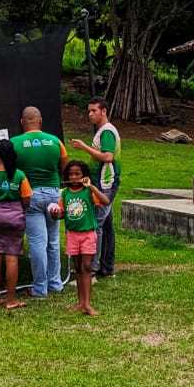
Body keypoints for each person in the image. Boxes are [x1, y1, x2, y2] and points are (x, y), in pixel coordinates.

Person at [11, 107, 67, 299]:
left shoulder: (14, 143)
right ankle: (56, 283)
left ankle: (40, 288)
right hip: (53, 193)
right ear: (40, 121)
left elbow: (9, 170)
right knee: (53, 240)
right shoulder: (55, 141)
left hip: (30, 196)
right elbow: (64, 164)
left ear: (22, 122)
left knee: (37, 242)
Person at [70, 97, 121, 277]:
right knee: (107, 225)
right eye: (89, 111)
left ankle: (91, 269)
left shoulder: (106, 131)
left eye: (94, 110)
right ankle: (106, 266)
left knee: (96, 224)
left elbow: (107, 157)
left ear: (104, 111)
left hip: (105, 183)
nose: (90, 114)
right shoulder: (103, 131)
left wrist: (84, 147)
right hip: (103, 182)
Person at [55, 160, 110, 317]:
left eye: (77, 174)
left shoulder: (88, 192)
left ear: (84, 175)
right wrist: (55, 214)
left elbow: (105, 201)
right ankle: (80, 303)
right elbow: (61, 213)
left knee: (86, 266)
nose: (74, 177)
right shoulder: (64, 194)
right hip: (72, 234)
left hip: (87, 234)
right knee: (78, 268)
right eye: (71, 174)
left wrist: (91, 186)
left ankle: (87, 304)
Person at [0, 139, 31, 310]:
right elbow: (26, 198)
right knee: (12, 258)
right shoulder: (20, 175)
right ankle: (10, 299)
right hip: (15, 216)